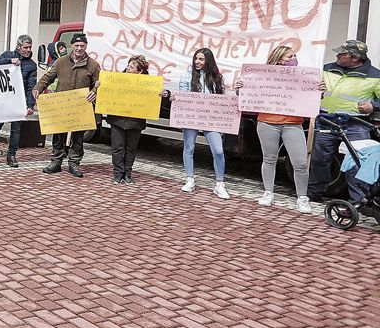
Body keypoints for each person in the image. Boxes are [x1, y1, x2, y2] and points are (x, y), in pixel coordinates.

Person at [232, 45, 313, 212]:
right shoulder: (262, 76)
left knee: (300, 163)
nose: (293, 59)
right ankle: (268, 192)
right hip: (267, 122)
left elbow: (310, 98)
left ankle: (302, 198)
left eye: (294, 56)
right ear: (278, 59)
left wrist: (318, 92)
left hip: (293, 123)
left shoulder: (301, 77)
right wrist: (240, 88)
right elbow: (247, 96)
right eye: (289, 57)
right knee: (269, 159)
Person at [309, 39, 380, 204]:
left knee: (356, 161)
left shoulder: (375, 76)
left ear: (355, 57)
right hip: (327, 120)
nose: (338, 55)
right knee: (320, 159)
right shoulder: (327, 68)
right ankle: (314, 193)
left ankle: (359, 200)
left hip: (356, 123)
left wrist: (373, 106)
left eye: (342, 53)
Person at [162, 48, 230, 199]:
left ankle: (219, 184)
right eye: (196, 59)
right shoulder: (187, 76)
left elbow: (221, 100)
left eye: (201, 59)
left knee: (218, 151)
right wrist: (174, 98)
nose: (197, 62)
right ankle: (189, 179)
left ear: (208, 61)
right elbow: (182, 96)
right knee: (189, 148)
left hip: (210, 119)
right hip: (191, 118)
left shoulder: (217, 78)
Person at [32, 33, 99, 178]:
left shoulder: (93, 65)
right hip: (61, 106)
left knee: (78, 136)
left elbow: (98, 85)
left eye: (82, 45)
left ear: (86, 46)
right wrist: (38, 88)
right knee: (58, 134)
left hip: (81, 107)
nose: (79, 48)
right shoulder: (61, 62)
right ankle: (56, 161)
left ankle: (74, 163)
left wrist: (95, 92)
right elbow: (48, 77)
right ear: (72, 46)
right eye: (76, 45)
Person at [104, 54, 158, 185]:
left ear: (139, 71)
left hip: (135, 122)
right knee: (117, 148)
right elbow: (107, 90)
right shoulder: (118, 79)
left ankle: (127, 174)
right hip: (117, 120)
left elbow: (154, 96)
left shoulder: (147, 84)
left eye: (132, 67)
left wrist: (163, 93)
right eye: (128, 65)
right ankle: (117, 174)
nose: (128, 68)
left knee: (131, 149)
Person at [0, 35, 36, 166]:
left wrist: (30, 105)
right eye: (25, 47)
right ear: (18, 47)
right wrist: (10, 61)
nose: (28, 50)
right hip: (3, 99)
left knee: (16, 130)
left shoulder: (31, 65)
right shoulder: (7, 55)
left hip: (18, 101)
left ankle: (12, 155)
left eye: (30, 47)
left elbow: (31, 86)